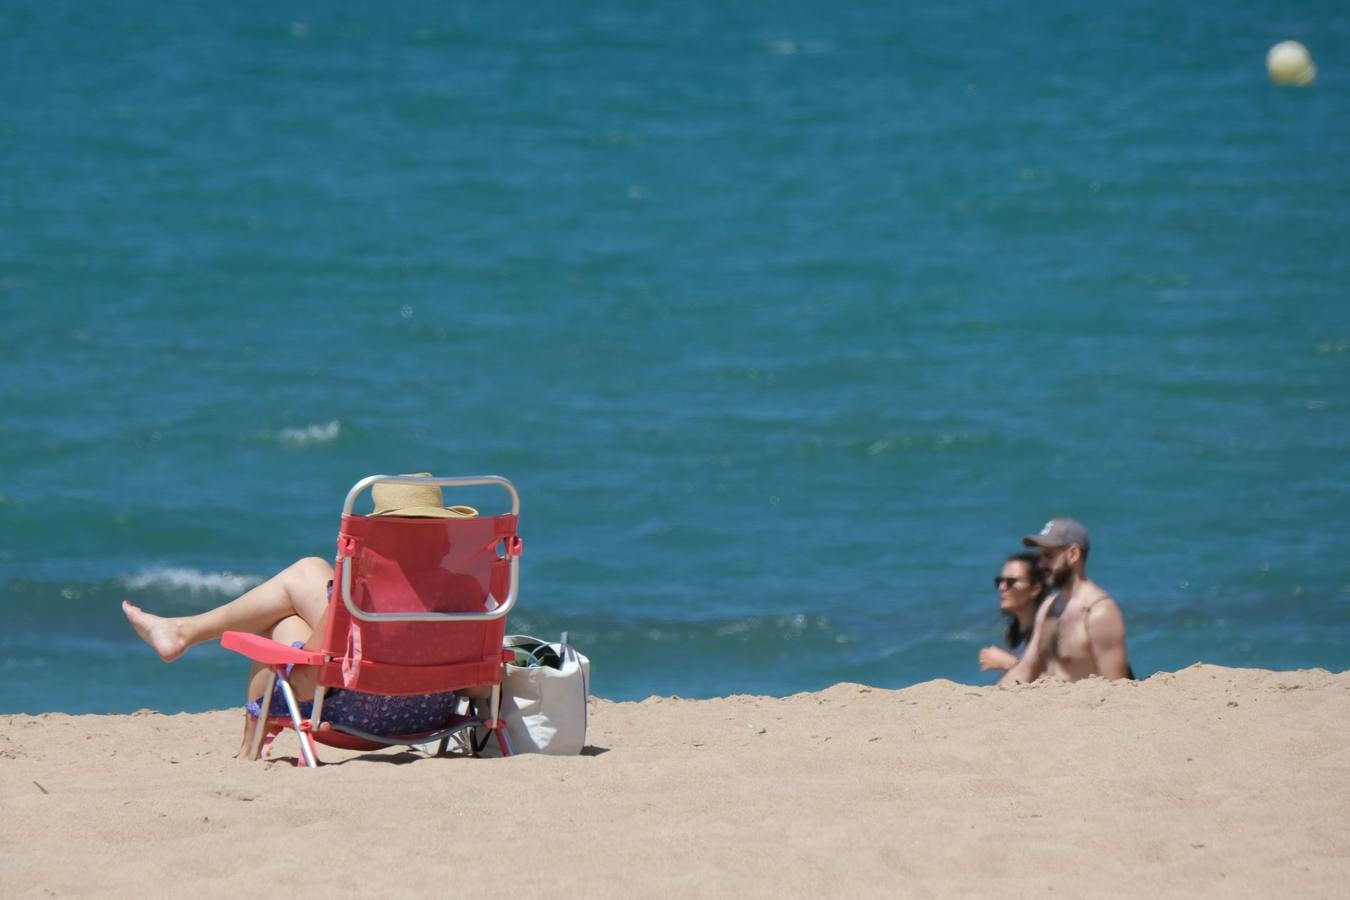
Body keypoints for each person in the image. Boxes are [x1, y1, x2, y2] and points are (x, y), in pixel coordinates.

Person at [122, 477, 489, 758]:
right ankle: (182, 632)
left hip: (355, 720)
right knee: (308, 576)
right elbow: (476, 687)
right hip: (430, 717)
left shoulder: (362, 593)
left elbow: (311, 676)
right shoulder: (469, 589)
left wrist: (285, 644)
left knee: (281, 624)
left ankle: (245, 746)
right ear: (446, 536)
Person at [999, 518, 1132, 684]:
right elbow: (1026, 669)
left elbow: (1118, 686)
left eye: (1048, 556)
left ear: (1073, 554)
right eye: (1039, 557)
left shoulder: (1099, 613)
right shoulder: (1049, 606)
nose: (1040, 564)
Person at [978, 551, 1049, 674]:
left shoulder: (1048, 631)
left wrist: (1009, 663)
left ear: (1035, 589)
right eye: (999, 581)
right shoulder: (1011, 632)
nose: (1002, 587)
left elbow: (1059, 680)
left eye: (1011, 582)